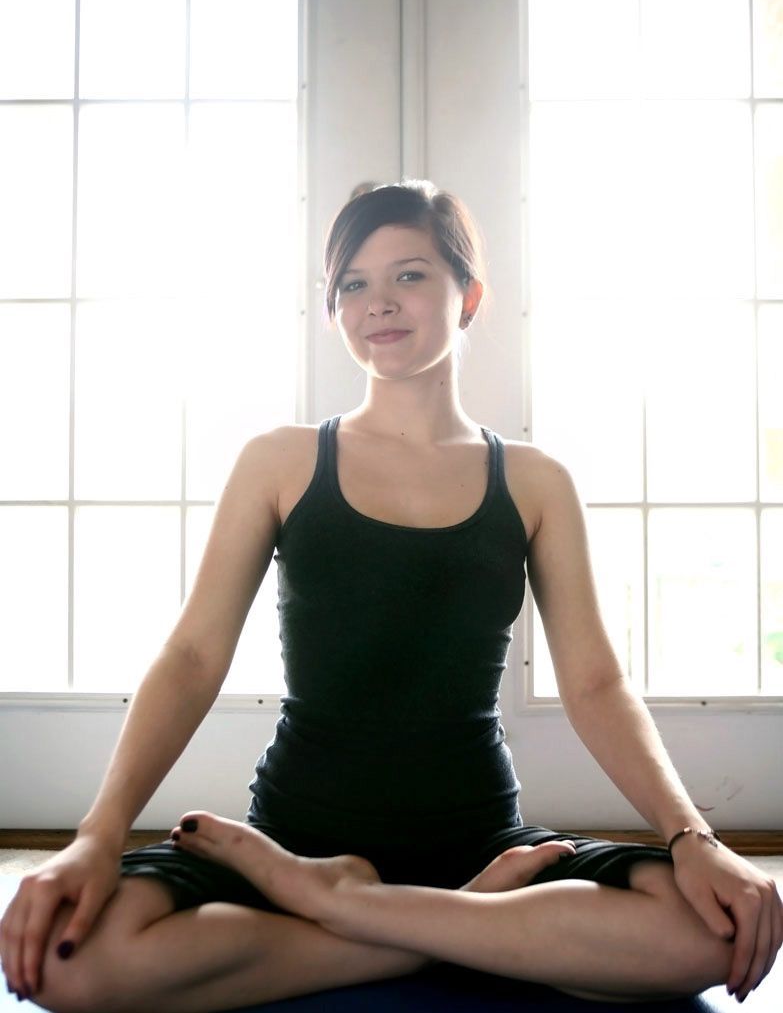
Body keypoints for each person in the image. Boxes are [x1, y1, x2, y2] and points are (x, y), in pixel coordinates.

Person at [1, 181, 780, 1012]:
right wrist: (98, 834)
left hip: (477, 837)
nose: (378, 303)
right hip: (294, 840)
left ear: (468, 294)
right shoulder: (280, 459)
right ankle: (445, 922)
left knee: (708, 933)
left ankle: (346, 909)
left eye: (408, 275)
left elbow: (595, 683)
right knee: (71, 959)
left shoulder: (534, 480)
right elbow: (192, 654)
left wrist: (691, 837)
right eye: (352, 283)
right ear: (333, 307)